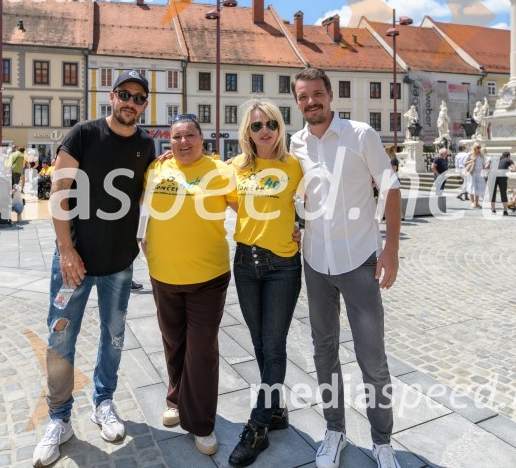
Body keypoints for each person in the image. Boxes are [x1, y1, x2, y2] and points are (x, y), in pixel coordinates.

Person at [32, 70, 155, 468]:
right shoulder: (83, 134)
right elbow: (59, 192)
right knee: (60, 337)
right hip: (75, 262)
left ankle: (104, 403)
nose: (130, 102)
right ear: (112, 96)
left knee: (113, 335)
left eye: (138, 97)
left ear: (144, 105)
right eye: (124, 94)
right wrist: (66, 249)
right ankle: (59, 418)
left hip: (119, 262)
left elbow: (149, 192)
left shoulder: (146, 145)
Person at [289, 68, 402, 468]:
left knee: (372, 358)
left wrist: (391, 250)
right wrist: (296, 226)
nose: (311, 102)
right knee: (324, 352)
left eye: (317, 94)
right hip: (316, 262)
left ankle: (382, 441)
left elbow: (390, 187)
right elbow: (294, 193)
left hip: (359, 260)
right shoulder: (296, 143)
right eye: (303, 97)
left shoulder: (360, 135)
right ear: (297, 102)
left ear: (330, 95)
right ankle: (334, 431)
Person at [141, 113, 236, 457]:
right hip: (163, 273)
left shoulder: (221, 172)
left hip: (208, 277)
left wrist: (293, 228)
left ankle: (201, 422)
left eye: (189, 136)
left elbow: (250, 210)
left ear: (202, 138)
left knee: (202, 348)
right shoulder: (157, 169)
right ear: (169, 142)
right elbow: (143, 209)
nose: (183, 142)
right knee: (173, 341)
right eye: (176, 137)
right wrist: (141, 239)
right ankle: (175, 399)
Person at [227, 100, 303, 467]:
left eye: (271, 123)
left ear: (280, 127)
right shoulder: (235, 168)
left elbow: (319, 201)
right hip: (245, 263)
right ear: (248, 132)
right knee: (258, 343)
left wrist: (300, 226)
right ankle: (276, 410)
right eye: (256, 125)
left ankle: (257, 427)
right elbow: (226, 198)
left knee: (273, 347)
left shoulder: (294, 166)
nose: (265, 130)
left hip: (282, 266)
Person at [464, 143, 488, 209]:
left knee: (477, 188)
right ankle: (472, 202)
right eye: (478, 147)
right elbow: (464, 162)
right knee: (472, 187)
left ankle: (476, 203)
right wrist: (472, 160)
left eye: (480, 147)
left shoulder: (481, 155)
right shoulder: (470, 154)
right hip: (472, 173)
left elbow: (483, 165)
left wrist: (485, 174)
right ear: (474, 147)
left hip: (479, 173)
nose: (479, 148)